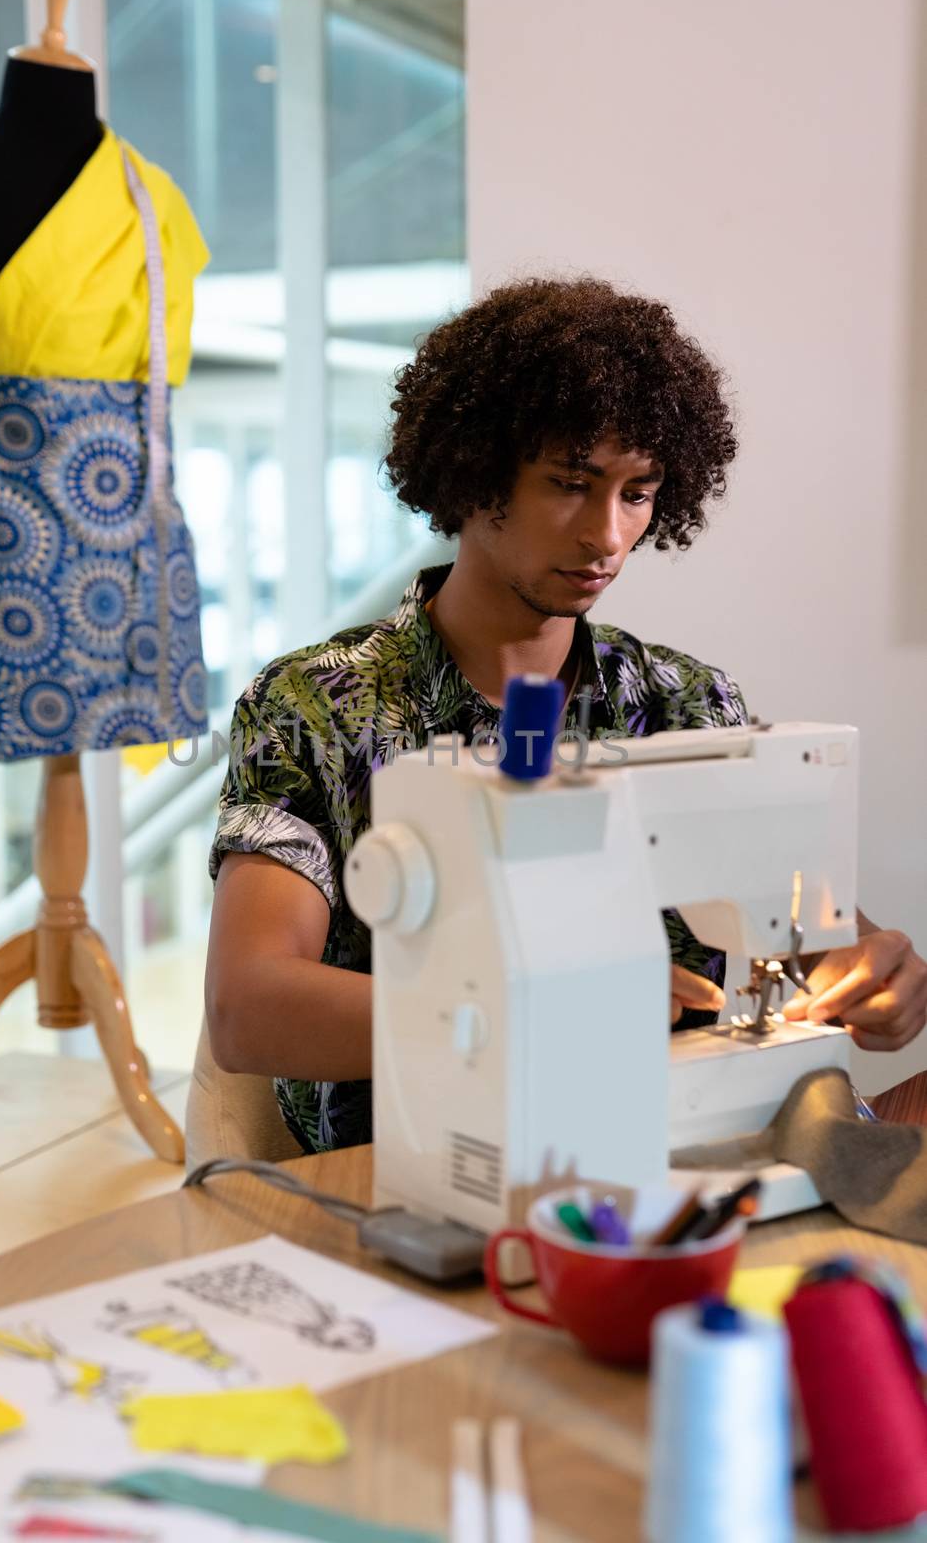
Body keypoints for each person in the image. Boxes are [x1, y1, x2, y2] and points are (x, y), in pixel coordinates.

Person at [204, 277, 927, 1154]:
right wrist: (536, 1014)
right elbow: (249, 1012)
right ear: (472, 475)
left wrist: (876, 969)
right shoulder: (318, 706)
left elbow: (811, 928)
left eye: (637, 492)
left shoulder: (684, 704)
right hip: (428, 1165)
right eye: (570, 485)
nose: (608, 535)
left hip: (686, 1145)